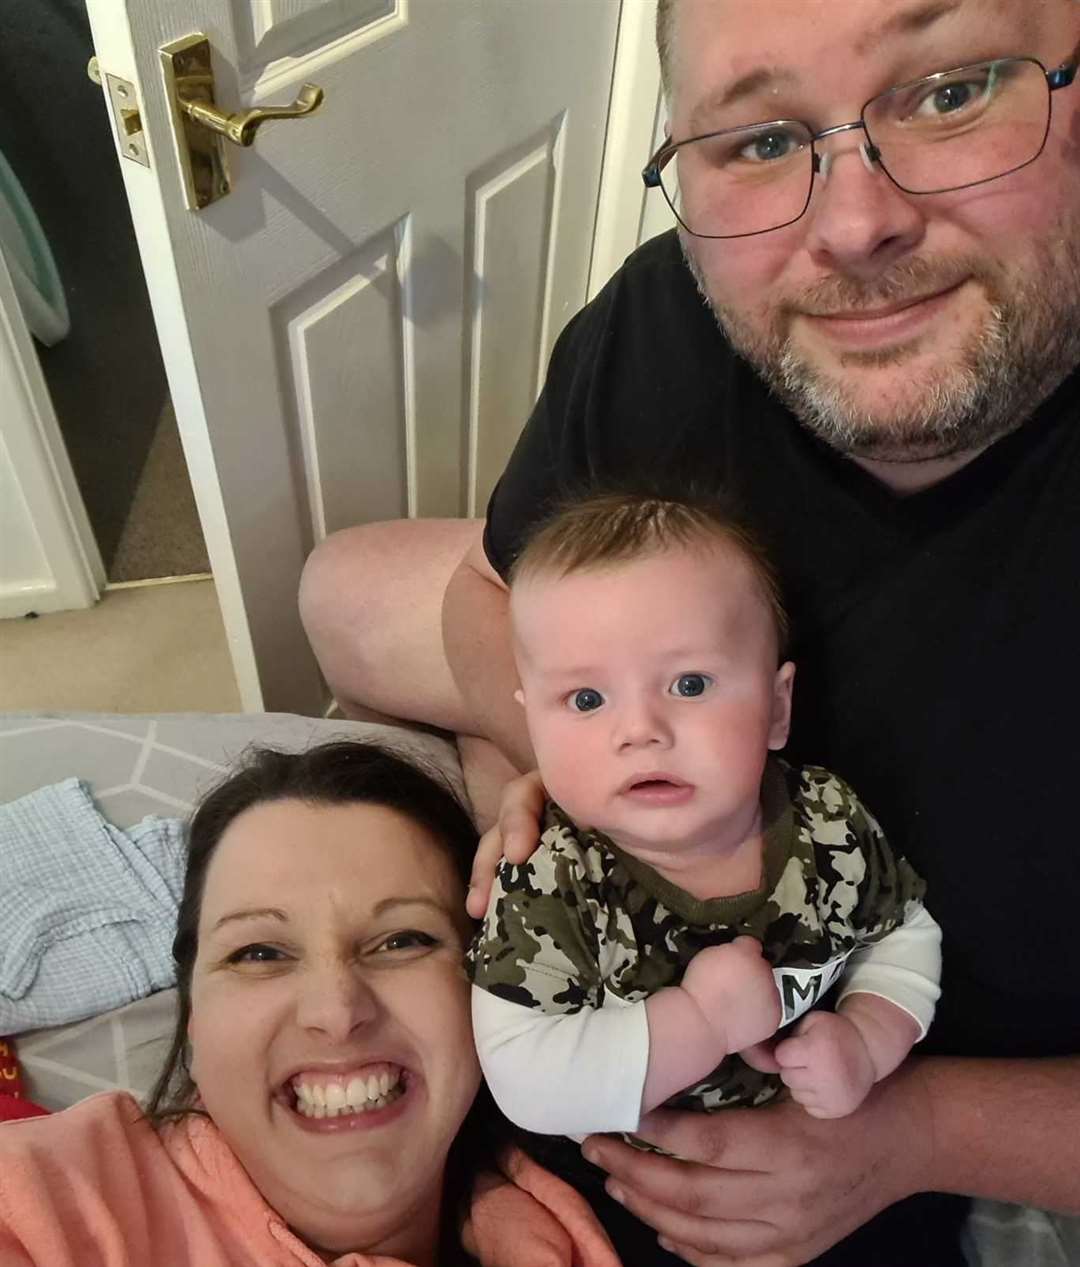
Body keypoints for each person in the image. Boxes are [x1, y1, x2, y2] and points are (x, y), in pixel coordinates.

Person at [298, 0, 1080, 1262]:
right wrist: (560, 763)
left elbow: (897, 978)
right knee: (339, 586)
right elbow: (489, 592)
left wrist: (920, 1127)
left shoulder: (857, 860)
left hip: (873, 1100)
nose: (853, 225)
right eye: (759, 139)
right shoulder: (669, 320)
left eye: (948, 91)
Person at [0, 741, 621, 1267]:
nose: (336, 1010)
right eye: (259, 954)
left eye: (403, 940)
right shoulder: (50, 1204)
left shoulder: (628, 1193)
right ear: (193, 1023)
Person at [468, 492, 941, 1136]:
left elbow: (901, 934)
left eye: (690, 685)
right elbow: (521, 1079)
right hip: (634, 1169)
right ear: (532, 722)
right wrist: (701, 1024)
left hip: (825, 1143)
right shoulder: (551, 879)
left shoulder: (829, 821)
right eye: (585, 698)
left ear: (777, 708)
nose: (640, 730)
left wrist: (867, 1039)